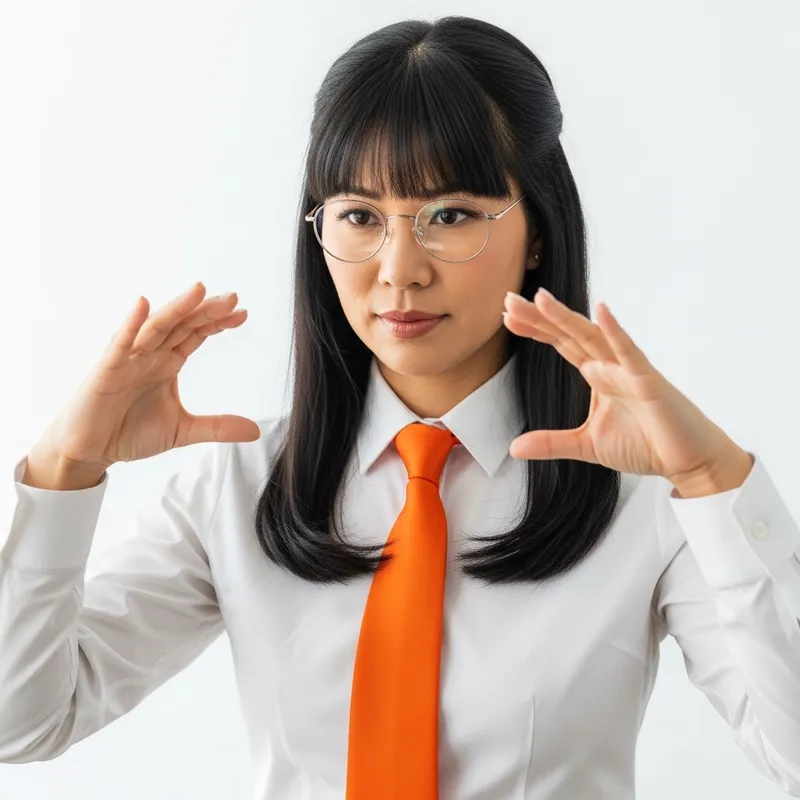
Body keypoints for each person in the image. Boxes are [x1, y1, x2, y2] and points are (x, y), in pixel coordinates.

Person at [1, 14, 800, 800]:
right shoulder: (240, 486)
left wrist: (712, 478)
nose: (399, 270)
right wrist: (65, 471)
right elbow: (20, 723)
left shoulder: (650, 499)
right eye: (360, 217)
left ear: (537, 233)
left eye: (449, 216)